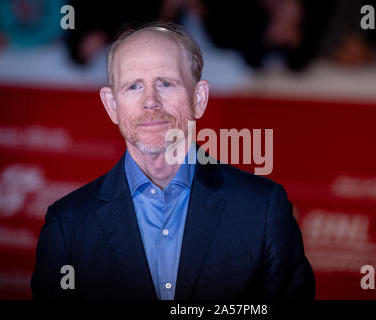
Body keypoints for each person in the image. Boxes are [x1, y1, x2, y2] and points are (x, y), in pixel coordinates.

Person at [31, 21, 315, 300]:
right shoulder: (68, 225)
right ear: (111, 105)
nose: (150, 101)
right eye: (133, 86)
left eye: (165, 83)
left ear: (199, 98)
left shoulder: (262, 209)